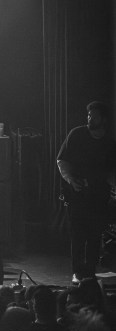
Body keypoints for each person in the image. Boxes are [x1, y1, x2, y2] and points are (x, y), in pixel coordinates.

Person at [57, 101, 116, 283]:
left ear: (103, 119)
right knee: (78, 235)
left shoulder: (109, 143)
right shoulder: (77, 135)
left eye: (94, 116)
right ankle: (77, 272)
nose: (90, 119)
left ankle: (89, 273)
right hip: (77, 193)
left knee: (94, 235)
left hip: (99, 195)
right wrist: (70, 179)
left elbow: (110, 172)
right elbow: (62, 160)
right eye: (89, 115)